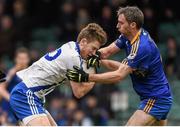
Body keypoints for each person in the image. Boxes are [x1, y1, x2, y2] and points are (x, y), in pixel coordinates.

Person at [66, 6, 173, 126]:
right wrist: (91, 54)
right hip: (158, 97)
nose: (117, 25)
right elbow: (107, 52)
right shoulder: (129, 36)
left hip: (156, 99)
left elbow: (119, 75)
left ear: (132, 25)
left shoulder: (142, 48)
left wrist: (86, 77)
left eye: (121, 23)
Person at [9, 23, 107, 126]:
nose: (94, 53)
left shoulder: (72, 45)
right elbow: (79, 92)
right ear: (83, 42)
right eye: (94, 48)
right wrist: (95, 76)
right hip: (26, 94)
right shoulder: (73, 58)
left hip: (33, 96)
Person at [0, 47, 30, 125]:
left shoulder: (31, 74)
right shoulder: (9, 73)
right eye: (20, 58)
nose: (22, 61)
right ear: (15, 59)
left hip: (25, 109)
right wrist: (13, 99)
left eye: (24, 58)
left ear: (28, 59)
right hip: (9, 109)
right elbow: (1, 89)